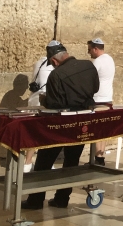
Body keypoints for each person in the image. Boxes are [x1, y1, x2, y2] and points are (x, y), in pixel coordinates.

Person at [21, 45, 100, 210]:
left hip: (61, 125)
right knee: (71, 162)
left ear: (54, 60)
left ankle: (35, 200)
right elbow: (95, 89)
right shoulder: (89, 66)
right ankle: (62, 199)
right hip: (82, 122)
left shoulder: (56, 75)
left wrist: (45, 101)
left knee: (44, 161)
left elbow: (54, 104)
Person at [24, 40, 63, 171]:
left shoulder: (38, 63)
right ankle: (45, 162)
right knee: (46, 132)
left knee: (34, 133)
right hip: (44, 102)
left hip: (33, 101)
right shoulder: (53, 65)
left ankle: (27, 163)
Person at [87, 38, 115, 165]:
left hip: (98, 99)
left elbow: (90, 79)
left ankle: (98, 159)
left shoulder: (97, 62)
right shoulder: (110, 59)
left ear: (95, 49)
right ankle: (101, 156)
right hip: (108, 98)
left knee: (97, 130)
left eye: (90, 50)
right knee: (103, 129)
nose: (89, 53)